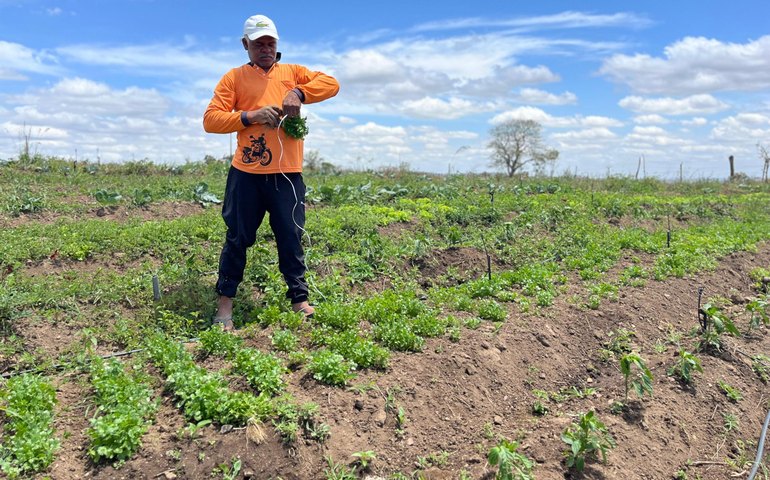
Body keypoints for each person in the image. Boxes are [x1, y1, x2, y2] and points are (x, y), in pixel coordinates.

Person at [203, 14, 339, 329]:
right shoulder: (233, 78)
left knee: (290, 236)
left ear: (277, 45)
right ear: (245, 45)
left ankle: (299, 301)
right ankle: (225, 307)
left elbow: (332, 84)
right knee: (237, 238)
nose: (265, 48)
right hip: (246, 175)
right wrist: (250, 116)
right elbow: (211, 120)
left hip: (287, 175)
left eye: (270, 43)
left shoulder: (293, 74)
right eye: (259, 43)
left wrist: (298, 94)